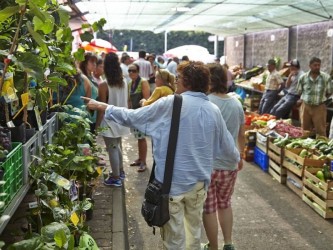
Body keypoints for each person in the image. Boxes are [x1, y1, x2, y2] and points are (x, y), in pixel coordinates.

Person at [81, 61, 240, 250]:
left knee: (174, 242)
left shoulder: (172, 103)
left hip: (172, 186)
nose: (176, 81)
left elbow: (134, 117)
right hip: (198, 186)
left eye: (179, 78)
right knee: (193, 237)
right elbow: (230, 150)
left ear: (187, 81)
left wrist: (103, 106)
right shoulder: (213, 110)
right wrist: (232, 162)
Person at [202, 63, 245, 250]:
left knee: (209, 208)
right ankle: (228, 243)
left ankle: (213, 246)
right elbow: (242, 134)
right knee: (225, 203)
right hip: (230, 164)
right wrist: (241, 155)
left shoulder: (206, 102)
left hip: (208, 165)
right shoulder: (236, 103)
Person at [96, 52, 130, 187]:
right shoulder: (124, 82)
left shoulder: (104, 85)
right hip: (122, 119)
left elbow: (101, 107)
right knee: (117, 146)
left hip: (109, 121)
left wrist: (97, 125)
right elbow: (127, 101)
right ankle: (120, 172)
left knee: (113, 148)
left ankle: (116, 177)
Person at [296, 57, 333, 136]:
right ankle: (305, 147)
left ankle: (322, 147)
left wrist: (321, 98)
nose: (317, 67)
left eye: (319, 65)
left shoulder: (326, 77)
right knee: (305, 130)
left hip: (319, 107)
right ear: (310, 66)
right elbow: (299, 91)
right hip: (306, 107)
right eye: (315, 65)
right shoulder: (303, 78)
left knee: (321, 131)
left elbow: (329, 92)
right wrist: (306, 98)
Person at [128, 63, 150, 172]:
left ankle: (143, 162)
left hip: (141, 113)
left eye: (134, 71)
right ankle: (140, 158)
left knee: (142, 138)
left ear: (138, 71)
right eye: (129, 71)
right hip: (134, 113)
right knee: (138, 137)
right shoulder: (130, 83)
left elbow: (146, 99)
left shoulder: (143, 82)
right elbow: (129, 100)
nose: (131, 73)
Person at [79, 52, 99, 133]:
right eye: (92, 62)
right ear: (84, 63)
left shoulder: (91, 78)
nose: (94, 64)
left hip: (93, 116)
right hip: (85, 117)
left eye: (95, 62)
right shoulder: (81, 78)